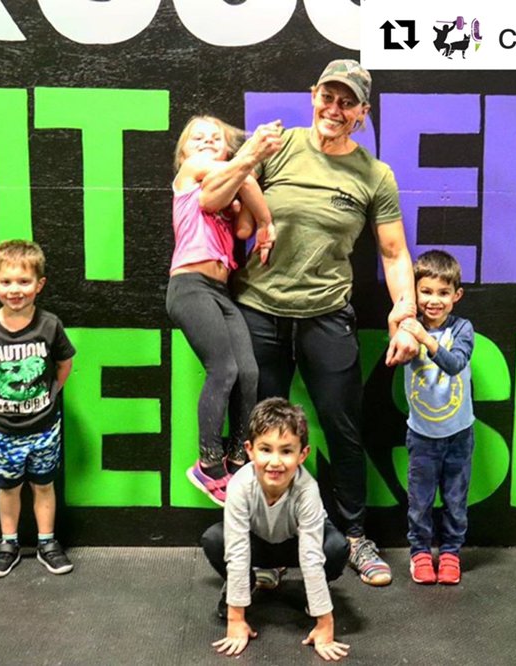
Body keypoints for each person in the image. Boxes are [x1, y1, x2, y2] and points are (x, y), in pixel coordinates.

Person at [230, 59, 420, 586]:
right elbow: (222, 201)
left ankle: (355, 536)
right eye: (328, 97)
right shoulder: (276, 147)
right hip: (259, 310)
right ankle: (267, 551)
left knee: (344, 428)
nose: (334, 109)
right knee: (262, 434)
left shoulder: (375, 175)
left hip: (326, 313)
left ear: (362, 113)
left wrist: (405, 314)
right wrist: (246, 161)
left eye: (347, 102)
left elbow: (394, 253)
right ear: (313, 95)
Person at [167, 115, 282, 505]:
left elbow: (243, 229)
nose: (206, 142)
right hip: (189, 286)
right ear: (183, 153)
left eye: (216, 139)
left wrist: (251, 211)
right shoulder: (190, 173)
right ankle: (208, 463)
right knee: (224, 369)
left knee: (248, 373)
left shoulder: (230, 184)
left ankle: (236, 458)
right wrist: (264, 214)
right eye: (197, 138)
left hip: (221, 291)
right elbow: (230, 191)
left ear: (227, 150)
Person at [201, 398, 351, 661]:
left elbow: (311, 556)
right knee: (214, 539)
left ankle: (313, 596)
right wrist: (236, 620)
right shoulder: (240, 485)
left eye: (286, 451)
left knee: (336, 547)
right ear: (249, 450)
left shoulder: (307, 490)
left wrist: (325, 623)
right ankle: (249, 584)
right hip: (258, 545)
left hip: (296, 547)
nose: (275, 462)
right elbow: (237, 551)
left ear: (302, 454)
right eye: (266, 449)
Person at [0, 239, 76, 578]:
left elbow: (64, 363)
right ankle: (8, 543)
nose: (15, 290)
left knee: (44, 485)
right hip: (3, 430)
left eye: (24, 281)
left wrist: (50, 395)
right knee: (8, 487)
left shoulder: (50, 325)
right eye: (7, 281)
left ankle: (47, 543)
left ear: (39, 284)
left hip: (44, 427)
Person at [396, 250, 475, 585]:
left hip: (459, 435)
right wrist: (401, 329)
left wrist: (424, 338)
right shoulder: (408, 326)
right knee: (420, 502)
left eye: (443, 292)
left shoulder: (463, 328)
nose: (434, 300)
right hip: (422, 436)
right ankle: (420, 553)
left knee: (456, 500)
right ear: (414, 292)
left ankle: (451, 553)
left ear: (457, 295)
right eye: (426, 291)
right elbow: (396, 350)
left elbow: (455, 364)